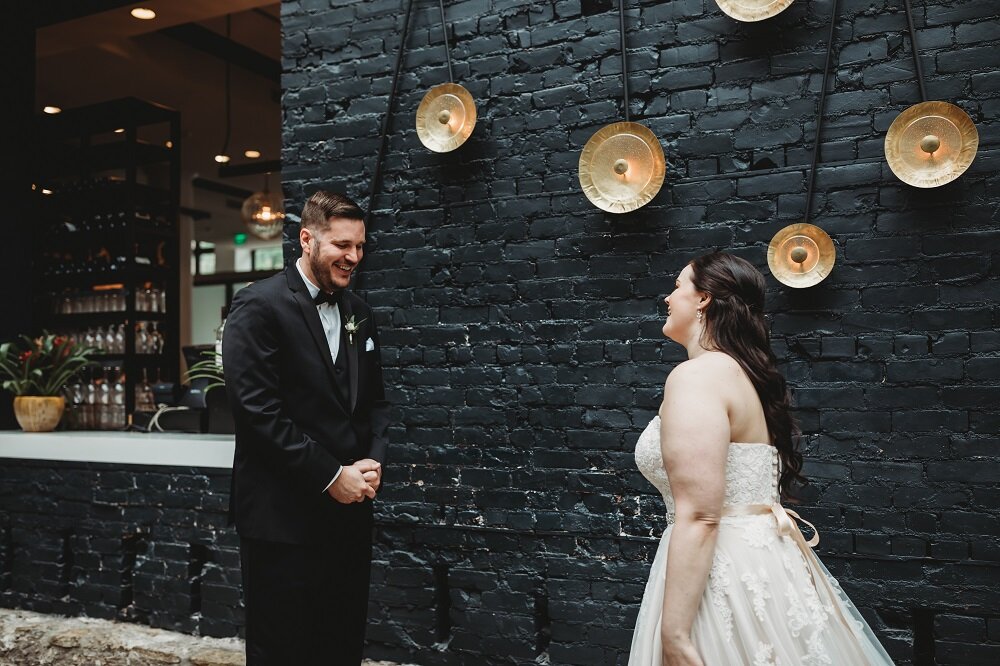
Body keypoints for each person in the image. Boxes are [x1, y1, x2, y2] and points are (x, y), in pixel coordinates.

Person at [629, 252, 893, 665]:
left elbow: (700, 514)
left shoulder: (697, 376)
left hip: (719, 571)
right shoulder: (741, 374)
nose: (668, 297)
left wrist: (676, 634)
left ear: (703, 299)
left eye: (678, 285)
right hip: (764, 563)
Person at [222, 190, 390, 665]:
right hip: (282, 522)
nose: (353, 257)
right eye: (341, 245)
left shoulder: (359, 312)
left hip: (350, 519)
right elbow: (258, 414)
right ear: (306, 240)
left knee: (340, 646)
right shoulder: (258, 306)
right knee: (284, 652)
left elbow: (375, 403)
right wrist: (331, 476)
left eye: (359, 246)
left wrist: (372, 463)